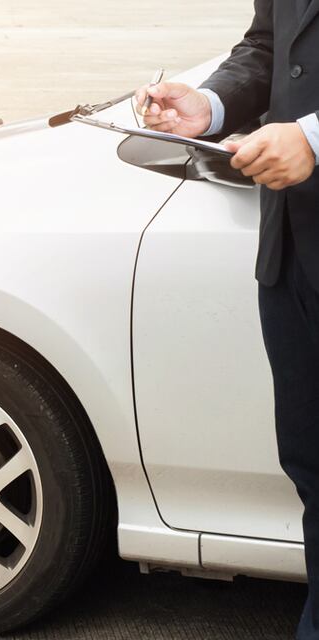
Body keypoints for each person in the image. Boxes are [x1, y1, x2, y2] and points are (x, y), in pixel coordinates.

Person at [133, 1, 319, 636]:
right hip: (292, 257)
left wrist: (313, 137)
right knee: (312, 473)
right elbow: (270, 45)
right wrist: (210, 106)